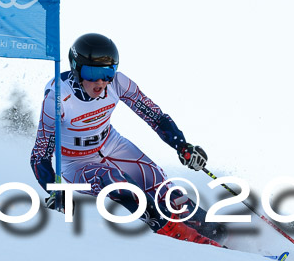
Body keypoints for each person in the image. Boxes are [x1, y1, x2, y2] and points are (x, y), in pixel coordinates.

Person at [30, 33, 224, 247]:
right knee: (113, 179)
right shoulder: (57, 99)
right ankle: (175, 233)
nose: (100, 82)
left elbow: (154, 116)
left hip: (112, 145)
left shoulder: (118, 83)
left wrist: (182, 146)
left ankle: (221, 232)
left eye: (107, 72)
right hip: (75, 163)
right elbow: (40, 155)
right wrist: (55, 191)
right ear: (76, 68)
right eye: (92, 73)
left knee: (161, 186)